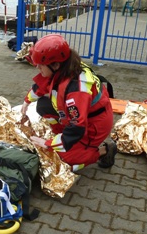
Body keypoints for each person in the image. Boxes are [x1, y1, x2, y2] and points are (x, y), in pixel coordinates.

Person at [20, 34, 117, 172]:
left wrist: (49, 144)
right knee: (43, 105)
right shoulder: (65, 68)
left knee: (64, 160)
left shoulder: (76, 90)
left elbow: (77, 127)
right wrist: (27, 101)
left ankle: (104, 151)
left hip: (95, 125)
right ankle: (62, 138)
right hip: (82, 115)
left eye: (41, 65)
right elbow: (44, 83)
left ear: (55, 65)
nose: (38, 68)